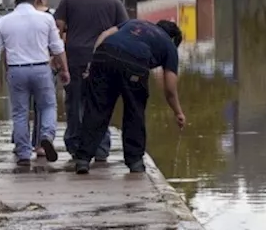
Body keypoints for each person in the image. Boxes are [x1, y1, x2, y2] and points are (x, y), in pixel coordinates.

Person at [73, 18, 186, 175]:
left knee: (96, 108)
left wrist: (93, 61)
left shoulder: (134, 23)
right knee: (134, 111)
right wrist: (178, 112)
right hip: (135, 63)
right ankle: (135, 162)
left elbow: (105, 34)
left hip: (104, 54)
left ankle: (83, 159)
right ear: (174, 39)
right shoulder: (169, 45)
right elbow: (170, 88)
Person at [0, 0, 70, 167]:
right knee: (48, 106)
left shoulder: (4, 21)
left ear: (15, 1)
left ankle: (24, 153)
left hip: (16, 70)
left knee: (20, 112)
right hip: (41, 68)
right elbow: (57, 47)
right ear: (36, 0)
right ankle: (46, 136)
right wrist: (64, 69)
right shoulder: (46, 19)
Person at [54, 0, 128, 162]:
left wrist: (55, 57)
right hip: (104, 58)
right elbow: (124, 31)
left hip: (74, 58)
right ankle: (101, 149)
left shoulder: (68, 0)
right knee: (100, 103)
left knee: (75, 102)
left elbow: (57, 29)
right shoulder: (114, 3)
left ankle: (75, 146)